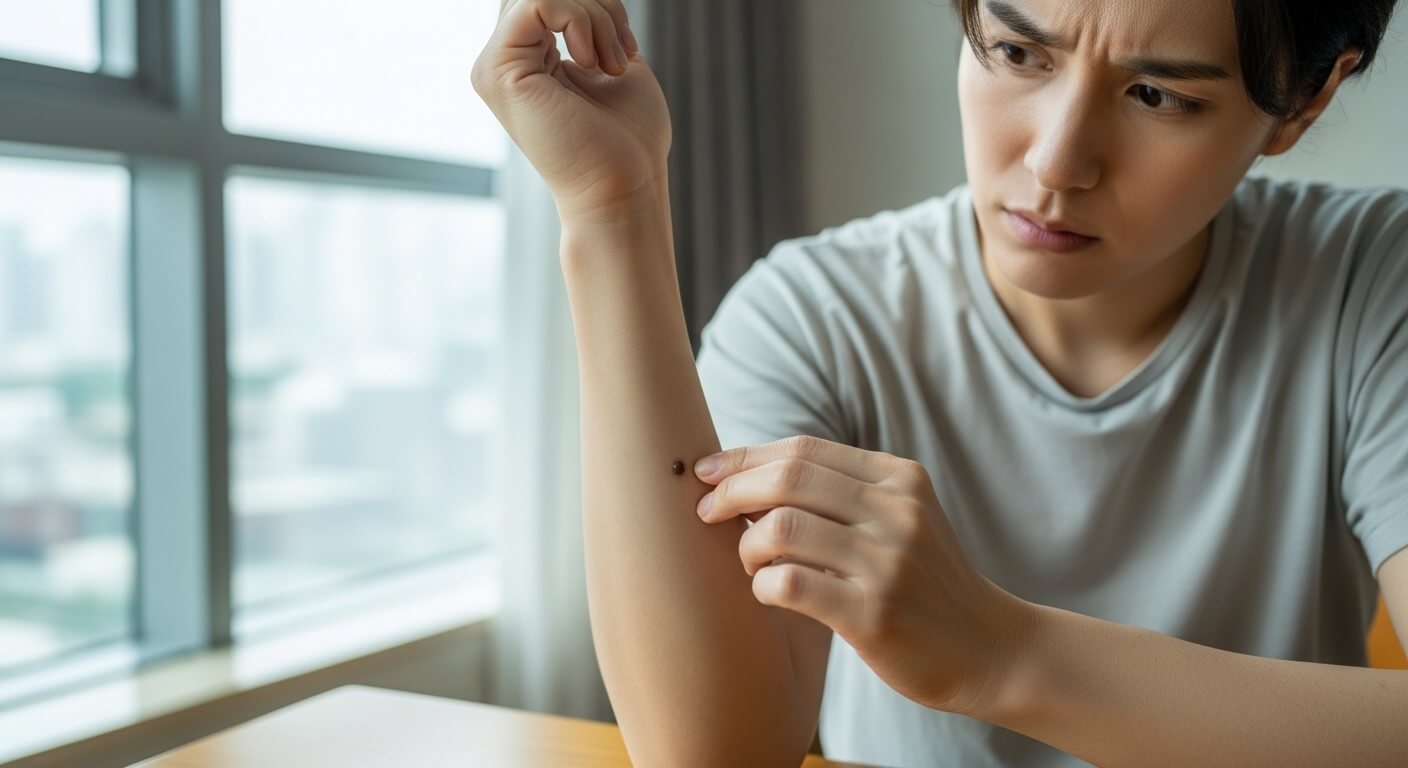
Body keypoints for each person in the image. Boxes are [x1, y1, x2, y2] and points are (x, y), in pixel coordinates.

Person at [473, 0, 1408, 765]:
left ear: (1305, 101)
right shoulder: (816, 313)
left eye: (1158, 95)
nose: (1055, 162)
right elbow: (712, 755)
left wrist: (1000, 653)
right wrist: (611, 209)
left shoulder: (1375, 280)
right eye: (1015, 51)